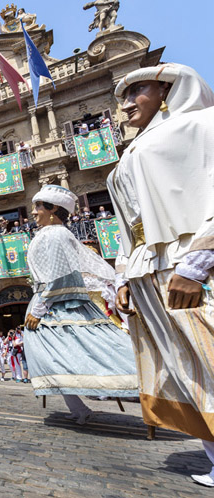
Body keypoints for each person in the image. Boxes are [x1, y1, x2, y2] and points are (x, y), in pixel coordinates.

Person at [107, 63, 214, 488]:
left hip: (186, 261)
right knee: (185, 365)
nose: (127, 104)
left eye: (139, 91)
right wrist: (122, 274)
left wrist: (200, 259)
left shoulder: (201, 124)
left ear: (170, 89)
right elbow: (127, 221)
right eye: (124, 98)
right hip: (147, 265)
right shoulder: (136, 146)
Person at [23, 184, 139, 425]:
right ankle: (78, 407)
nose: (33, 212)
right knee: (49, 356)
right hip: (49, 302)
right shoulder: (47, 234)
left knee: (89, 351)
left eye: (37, 207)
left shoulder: (57, 234)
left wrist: (38, 309)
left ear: (53, 208)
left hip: (56, 306)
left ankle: (148, 382)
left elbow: (60, 276)